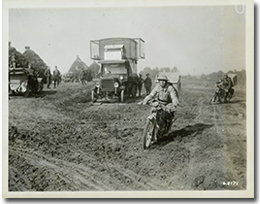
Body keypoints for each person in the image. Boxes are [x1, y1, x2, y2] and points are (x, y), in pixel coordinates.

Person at [139, 73, 179, 139]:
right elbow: (151, 95)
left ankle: (164, 127)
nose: (162, 82)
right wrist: (145, 100)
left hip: (167, 104)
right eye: (160, 80)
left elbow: (173, 97)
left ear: (166, 81)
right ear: (159, 81)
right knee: (153, 109)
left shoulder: (170, 87)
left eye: (163, 81)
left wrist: (175, 103)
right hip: (159, 102)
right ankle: (152, 125)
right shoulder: (157, 87)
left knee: (165, 114)